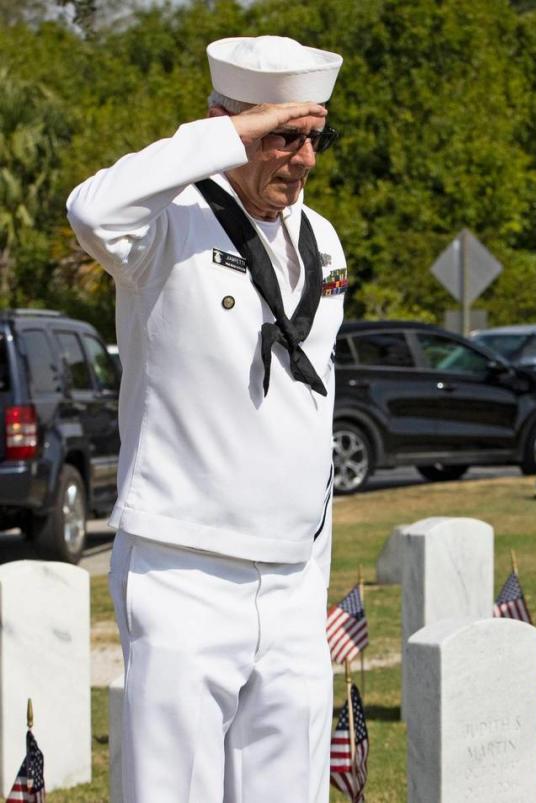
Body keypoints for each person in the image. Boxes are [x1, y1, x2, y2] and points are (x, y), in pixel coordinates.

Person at [67, 36, 346, 800]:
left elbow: (313, 403)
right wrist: (225, 140)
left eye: (312, 137)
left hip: (290, 572)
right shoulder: (164, 225)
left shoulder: (321, 238)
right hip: (183, 564)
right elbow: (91, 208)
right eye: (281, 137)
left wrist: (313, 553)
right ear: (228, 125)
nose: (302, 159)